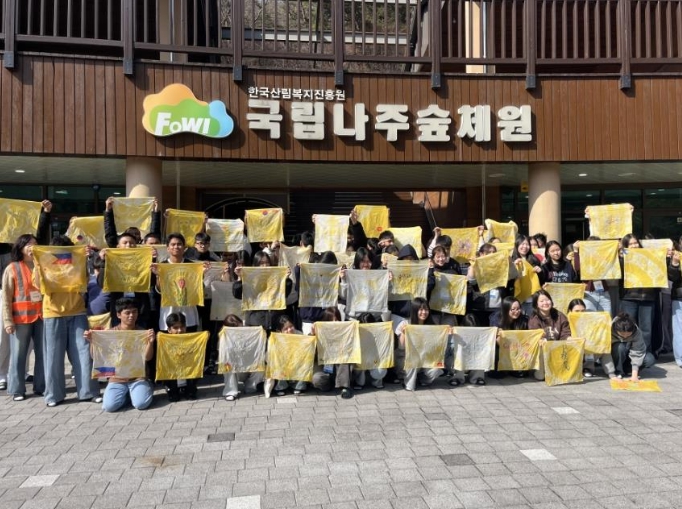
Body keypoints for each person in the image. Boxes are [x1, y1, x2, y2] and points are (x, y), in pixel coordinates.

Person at [42, 235, 101, 407]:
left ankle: (89, 392)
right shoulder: (44, 262)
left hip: (78, 311)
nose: (62, 254)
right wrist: (37, 260)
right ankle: (53, 395)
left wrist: (84, 257)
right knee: (53, 356)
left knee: (84, 353)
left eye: (66, 251)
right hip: (53, 313)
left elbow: (84, 281)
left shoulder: (76, 261)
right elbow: (38, 284)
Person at [85, 297, 155, 412]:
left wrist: (150, 343)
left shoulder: (142, 333)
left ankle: (145, 387)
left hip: (137, 377)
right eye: (127, 313)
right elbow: (96, 357)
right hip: (117, 378)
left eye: (134, 312)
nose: (131, 315)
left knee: (141, 404)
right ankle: (128, 396)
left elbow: (148, 358)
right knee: (109, 407)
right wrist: (93, 341)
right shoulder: (110, 334)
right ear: (118, 315)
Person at [1, 234, 45, 400]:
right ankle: (17, 389)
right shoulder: (12, 268)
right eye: (28, 244)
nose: (32, 247)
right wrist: (8, 321)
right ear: (20, 248)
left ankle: (41, 386)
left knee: (43, 353)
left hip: (42, 317)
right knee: (18, 354)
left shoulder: (42, 266)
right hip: (20, 319)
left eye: (35, 244)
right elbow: (6, 298)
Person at [619, 234, 657, 354]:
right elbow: (618, 274)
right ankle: (627, 355)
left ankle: (644, 355)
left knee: (646, 329)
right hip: (629, 298)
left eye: (635, 243)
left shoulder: (648, 256)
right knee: (627, 327)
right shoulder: (622, 258)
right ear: (626, 246)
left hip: (647, 297)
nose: (634, 246)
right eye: (630, 244)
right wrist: (621, 258)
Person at [396, 298, 443, 391]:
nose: (424, 312)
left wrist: (445, 333)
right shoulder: (405, 324)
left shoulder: (432, 325)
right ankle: (408, 384)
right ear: (414, 310)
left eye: (426, 309)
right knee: (413, 361)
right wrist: (403, 334)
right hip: (407, 359)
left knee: (436, 369)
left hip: (426, 358)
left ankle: (423, 379)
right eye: (421, 310)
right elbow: (401, 347)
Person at [310, 307, 354, 399]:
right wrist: (313, 334)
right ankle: (328, 386)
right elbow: (308, 350)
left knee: (345, 358)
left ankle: (344, 387)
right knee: (317, 379)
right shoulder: (318, 332)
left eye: (336, 319)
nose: (334, 322)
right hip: (323, 368)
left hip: (339, 369)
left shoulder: (345, 332)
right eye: (331, 320)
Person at [528, 289, 570, 381]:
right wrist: (542, 341)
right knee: (541, 377)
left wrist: (569, 339)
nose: (545, 303)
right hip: (543, 351)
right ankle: (539, 369)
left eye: (547, 300)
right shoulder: (534, 319)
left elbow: (565, 333)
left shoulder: (560, 316)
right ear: (536, 304)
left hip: (558, 349)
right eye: (541, 301)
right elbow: (534, 337)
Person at [221, 314, 264, 401]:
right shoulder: (224, 336)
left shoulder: (249, 330)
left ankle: (251, 386)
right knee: (227, 365)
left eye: (240, 327)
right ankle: (231, 391)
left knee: (262, 366)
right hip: (236, 368)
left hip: (250, 365)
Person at [161, 312, 199, 401]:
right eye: (175, 328)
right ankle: (172, 390)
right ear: (169, 330)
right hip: (172, 372)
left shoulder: (191, 339)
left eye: (182, 327)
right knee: (174, 396)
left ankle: (189, 388)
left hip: (187, 369)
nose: (179, 330)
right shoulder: (164, 341)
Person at [610, 312, 655, 380]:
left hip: (630, 356)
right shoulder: (609, 329)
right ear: (616, 330)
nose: (625, 336)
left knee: (649, 359)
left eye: (628, 335)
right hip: (615, 357)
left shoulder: (637, 332)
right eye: (622, 334)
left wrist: (634, 375)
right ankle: (618, 371)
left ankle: (629, 370)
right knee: (619, 347)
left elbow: (638, 352)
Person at [272, 315, 308, 396]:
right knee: (277, 362)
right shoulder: (276, 338)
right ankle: (281, 387)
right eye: (286, 329)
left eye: (291, 326)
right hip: (283, 362)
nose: (290, 330)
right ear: (280, 331)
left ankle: (298, 386)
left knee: (305, 361)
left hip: (297, 361)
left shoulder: (300, 334)